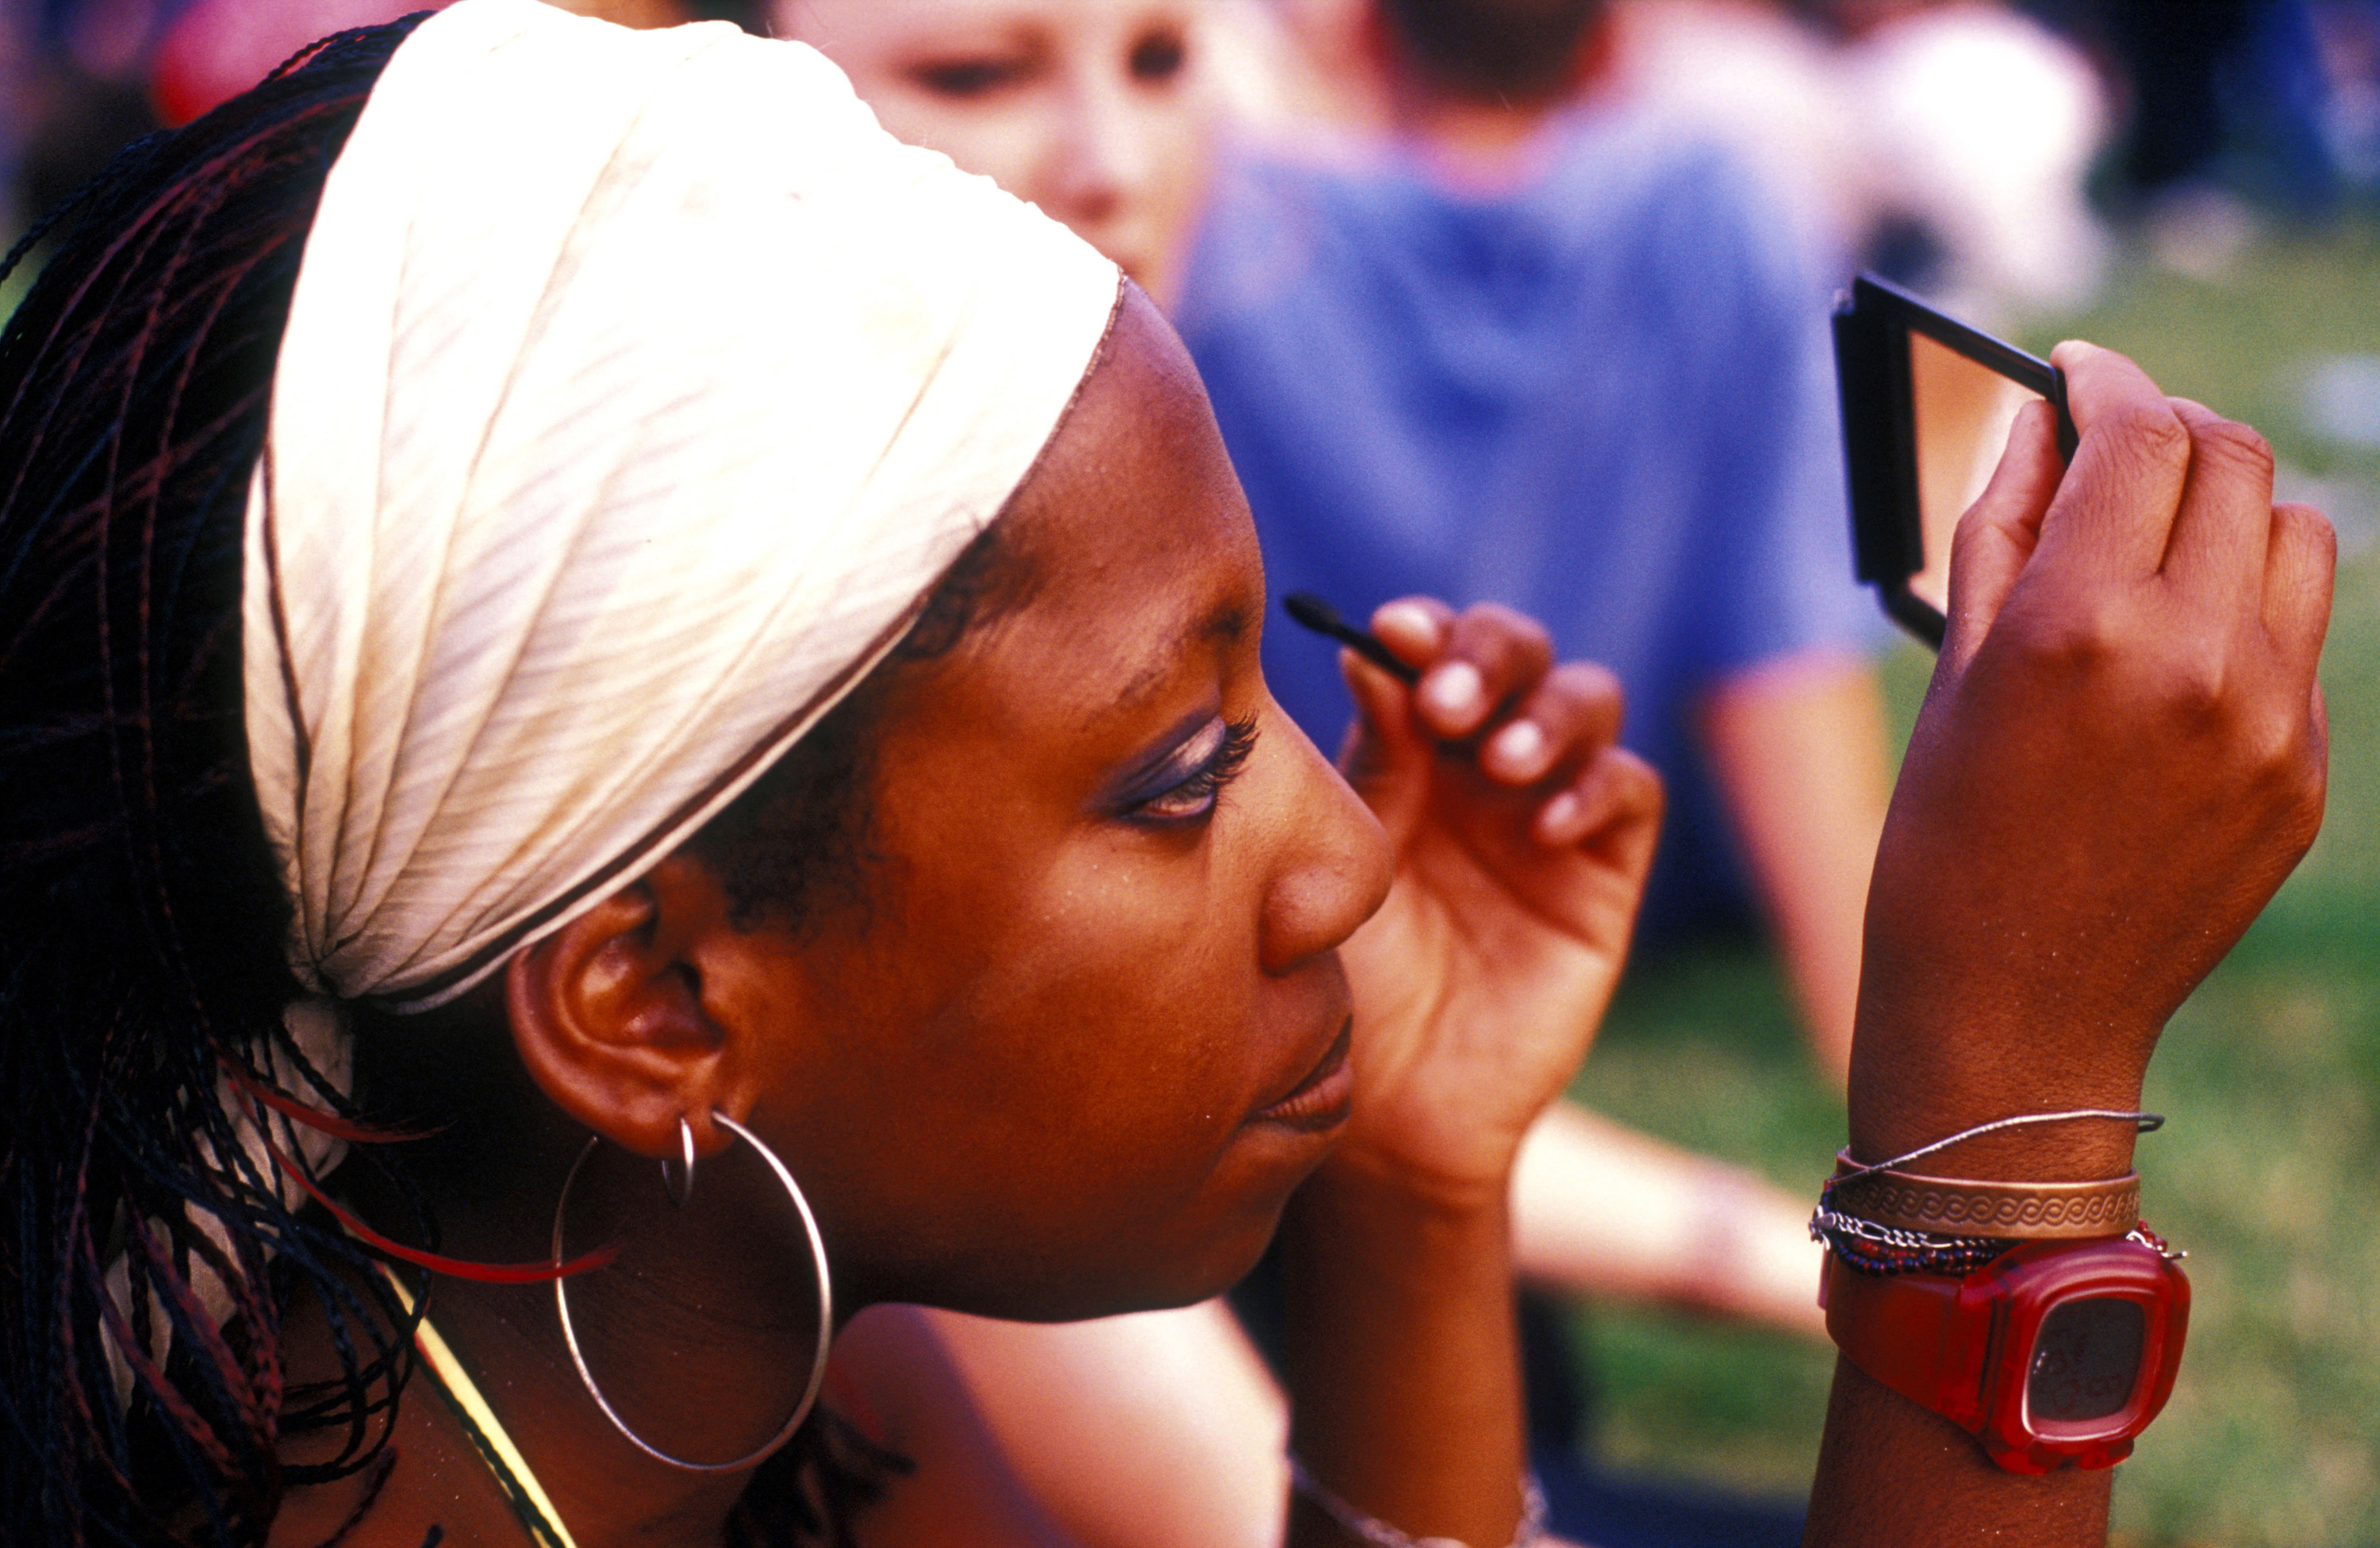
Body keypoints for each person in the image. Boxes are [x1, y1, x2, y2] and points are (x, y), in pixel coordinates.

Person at [0, 8, 2332, 1548]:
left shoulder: (676, 1344)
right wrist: (1997, 1130)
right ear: (654, 1006)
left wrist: (1423, 1192)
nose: (1345, 863)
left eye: (1277, 686)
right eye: (1187, 771)